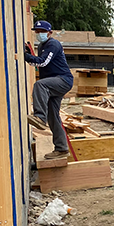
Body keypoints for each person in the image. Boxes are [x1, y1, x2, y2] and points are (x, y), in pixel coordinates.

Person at [25, 20, 73, 160]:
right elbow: (38, 62)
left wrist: (26, 56)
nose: (39, 34)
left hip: (62, 80)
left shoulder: (53, 44)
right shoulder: (42, 45)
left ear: (50, 33)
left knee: (40, 85)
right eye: (37, 32)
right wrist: (29, 55)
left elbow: (43, 62)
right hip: (54, 82)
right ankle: (61, 149)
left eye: (42, 32)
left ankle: (39, 117)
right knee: (53, 116)